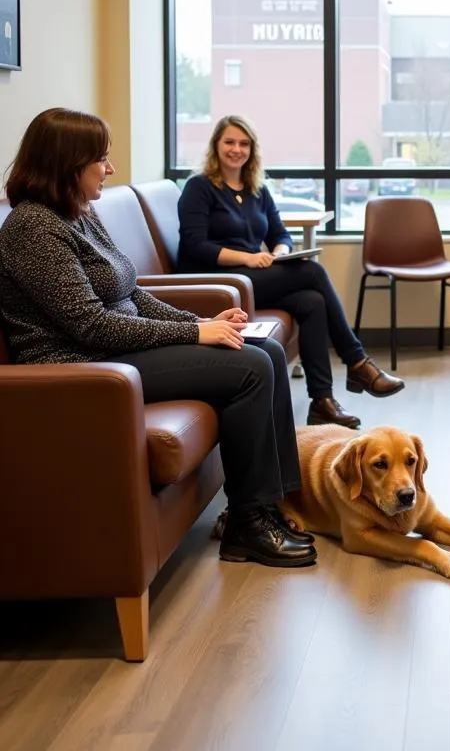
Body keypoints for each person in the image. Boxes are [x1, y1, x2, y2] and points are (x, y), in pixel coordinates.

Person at [0, 108, 315, 569]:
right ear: (68, 164)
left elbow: (131, 293)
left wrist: (207, 323)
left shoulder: (78, 213)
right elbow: (91, 325)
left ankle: (273, 504)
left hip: (117, 351)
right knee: (250, 367)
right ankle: (248, 524)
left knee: (263, 347)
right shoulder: (32, 228)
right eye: (100, 160)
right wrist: (195, 331)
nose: (109, 169)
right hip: (87, 365)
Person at [177, 115, 404, 431]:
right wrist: (249, 257)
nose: (236, 150)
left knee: (312, 300)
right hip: (218, 281)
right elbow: (194, 245)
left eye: (244, 144)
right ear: (216, 145)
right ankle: (357, 361)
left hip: (253, 274)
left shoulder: (258, 190)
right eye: (229, 142)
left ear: (252, 150)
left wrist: (280, 253)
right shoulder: (199, 187)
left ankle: (322, 401)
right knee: (312, 273)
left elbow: (280, 235)